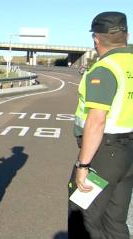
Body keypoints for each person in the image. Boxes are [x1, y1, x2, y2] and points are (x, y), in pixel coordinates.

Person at [68, 11, 133, 239]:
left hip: (104, 154)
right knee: (115, 221)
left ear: (96, 39)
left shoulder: (105, 69)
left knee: (84, 218)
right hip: (128, 155)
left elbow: (97, 121)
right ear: (126, 34)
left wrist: (83, 166)